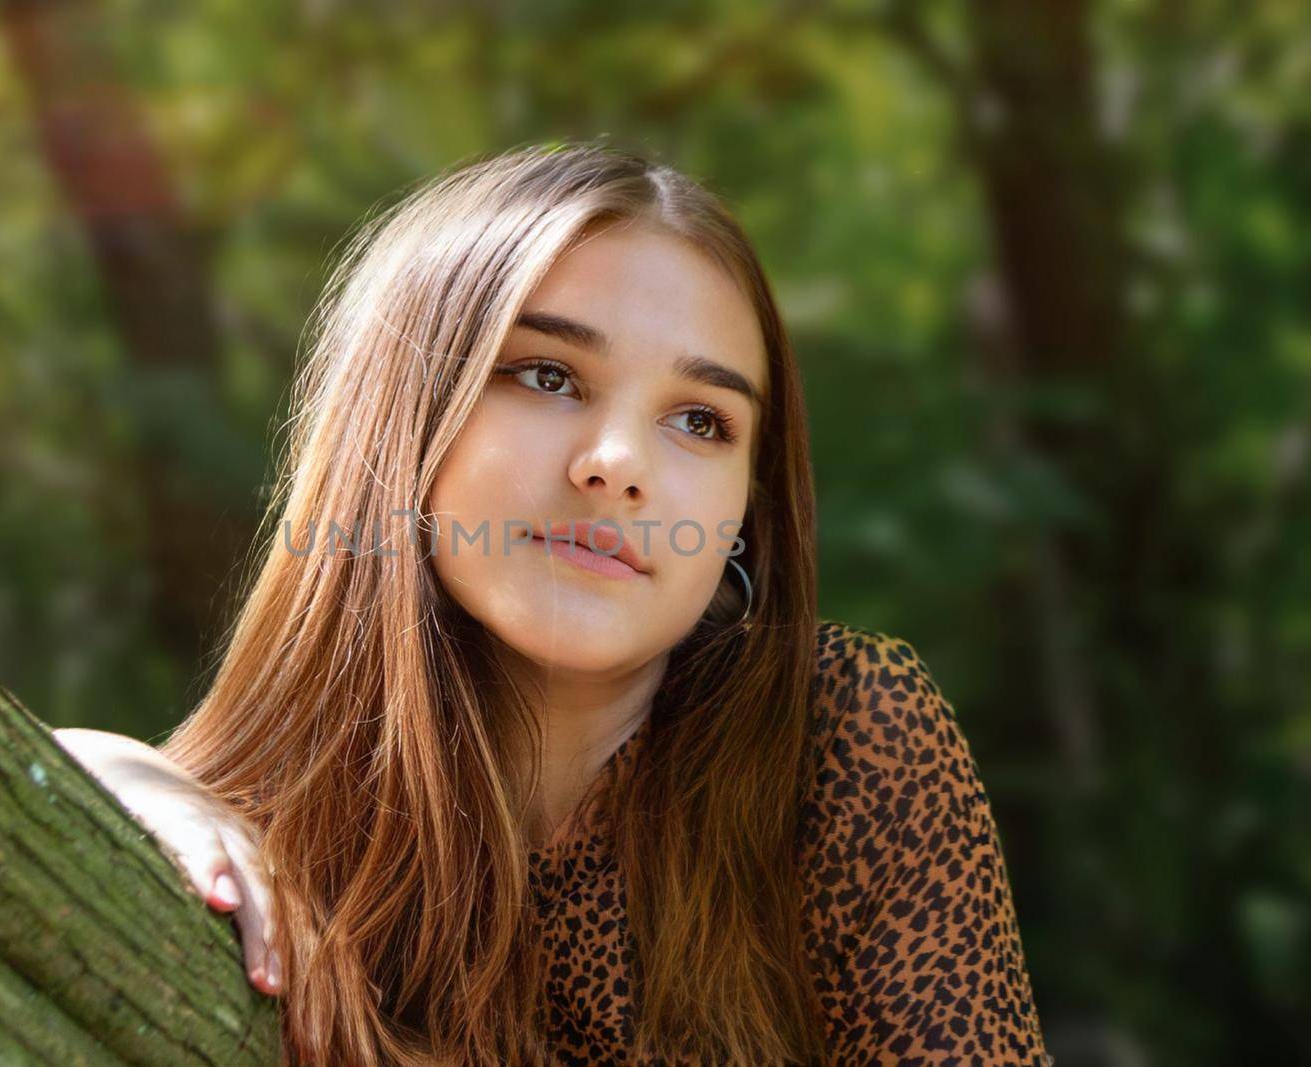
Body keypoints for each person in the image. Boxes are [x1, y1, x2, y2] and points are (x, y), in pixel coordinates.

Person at [55, 142, 1050, 1066]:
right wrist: (116, 772)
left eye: (701, 420)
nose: (617, 464)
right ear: (398, 419)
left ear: (745, 509)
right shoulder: (272, 837)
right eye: (547, 374)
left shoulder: (835, 738)